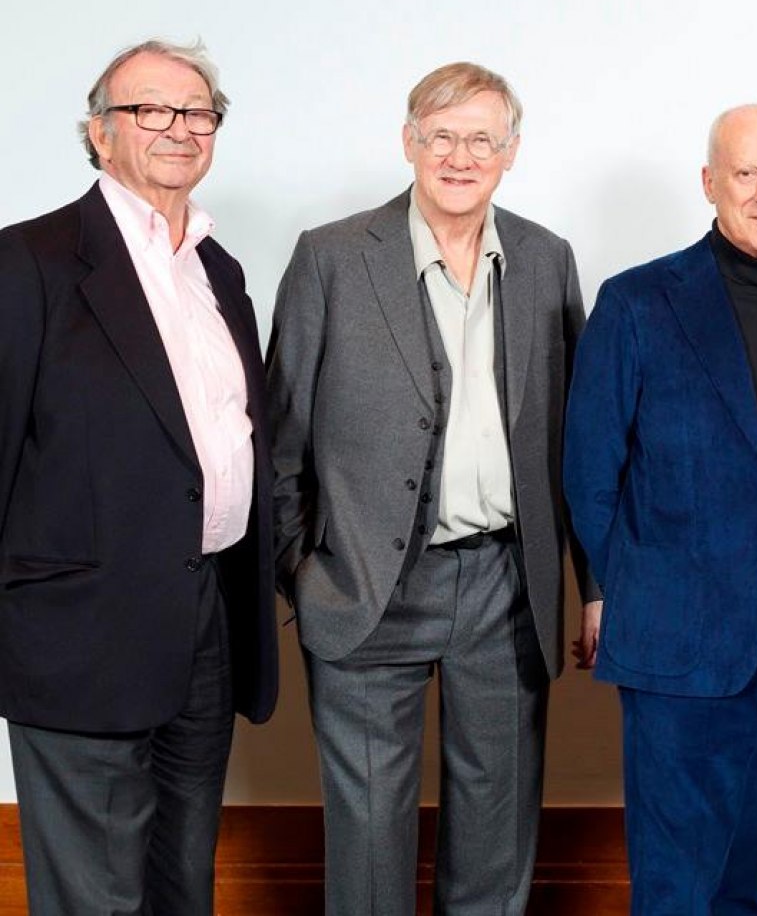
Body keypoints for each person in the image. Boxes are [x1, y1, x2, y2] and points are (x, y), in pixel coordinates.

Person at [266, 62, 597, 915]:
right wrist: (305, 570)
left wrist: (591, 588)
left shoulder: (545, 259)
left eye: (481, 138)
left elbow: (579, 444)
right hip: (368, 585)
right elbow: (281, 439)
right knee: (371, 840)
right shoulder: (331, 258)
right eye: (441, 135)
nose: (461, 155)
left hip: (505, 586)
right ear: (408, 142)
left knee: (497, 833)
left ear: (511, 152)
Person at [0, 39, 278, 915]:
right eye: (149, 109)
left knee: (180, 880)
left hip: (204, 623)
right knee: (96, 897)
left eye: (198, 112)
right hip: (75, 634)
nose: (178, 128)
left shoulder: (218, 272)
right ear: (99, 134)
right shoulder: (28, 263)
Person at [563, 104, 757, 915]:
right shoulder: (638, 302)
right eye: (748, 173)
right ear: (709, 183)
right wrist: (612, 592)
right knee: (676, 887)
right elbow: (590, 471)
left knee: (751, 881)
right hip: (675, 643)